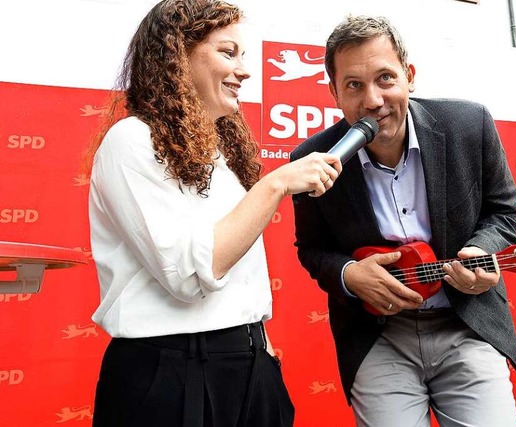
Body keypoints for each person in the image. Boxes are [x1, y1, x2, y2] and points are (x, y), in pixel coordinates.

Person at [85, 1, 341, 426]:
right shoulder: (129, 141)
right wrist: (274, 184)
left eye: (244, 56)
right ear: (177, 54)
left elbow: (235, 281)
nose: (244, 70)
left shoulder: (219, 155)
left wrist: (258, 345)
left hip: (249, 366)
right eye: (229, 52)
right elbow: (188, 276)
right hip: (169, 376)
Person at [291, 15, 516, 427]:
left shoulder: (469, 125)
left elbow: (505, 212)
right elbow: (311, 249)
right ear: (334, 93)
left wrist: (482, 251)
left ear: (409, 76)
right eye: (353, 85)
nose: (373, 101)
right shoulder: (310, 160)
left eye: (385, 78)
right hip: (378, 335)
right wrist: (349, 274)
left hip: (465, 323)